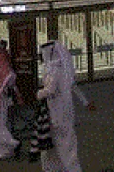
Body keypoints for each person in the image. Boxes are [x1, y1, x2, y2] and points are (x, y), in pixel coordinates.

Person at [34, 41, 94, 172]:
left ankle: (69, 169)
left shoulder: (54, 70)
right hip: (64, 110)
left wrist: (38, 94)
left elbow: (50, 90)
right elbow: (74, 87)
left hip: (57, 111)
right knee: (63, 142)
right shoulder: (63, 69)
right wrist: (86, 103)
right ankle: (64, 168)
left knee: (61, 142)